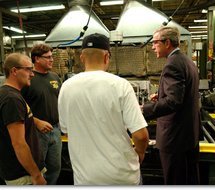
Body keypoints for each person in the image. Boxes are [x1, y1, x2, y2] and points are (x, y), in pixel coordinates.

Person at [58, 33, 149, 185]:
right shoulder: (120, 85)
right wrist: (139, 154)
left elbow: (66, 129)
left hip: (85, 178)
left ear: (82, 57)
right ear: (107, 57)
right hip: (122, 176)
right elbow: (141, 135)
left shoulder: (66, 87)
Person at [142, 26, 201, 185]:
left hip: (174, 139)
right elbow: (183, 95)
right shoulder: (187, 61)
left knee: (175, 181)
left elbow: (173, 102)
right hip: (188, 135)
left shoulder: (172, 64)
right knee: (189, 180)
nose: (153, 47)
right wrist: (161, 95)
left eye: (155, 43)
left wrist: (143, 110)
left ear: (167, 42)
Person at [0, 53, 47, 185]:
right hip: (23, 175)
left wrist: (36, 121)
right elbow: (19, 144)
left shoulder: (12, 94)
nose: (32, 74)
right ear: (14, 71)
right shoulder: (11, 99)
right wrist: (36, 175)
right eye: (28, 69)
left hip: (23, 172)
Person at [21, 44, 62, 185]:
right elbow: (20, 106)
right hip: (36, 132)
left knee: (55, 168)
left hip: (55, 130)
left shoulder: (55, 77)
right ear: (37, 59)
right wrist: (36, 122)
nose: (51, 60)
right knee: (37, 169)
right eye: (48, 57)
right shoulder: (28, 79)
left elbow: (60, 100)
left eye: (52, 57)